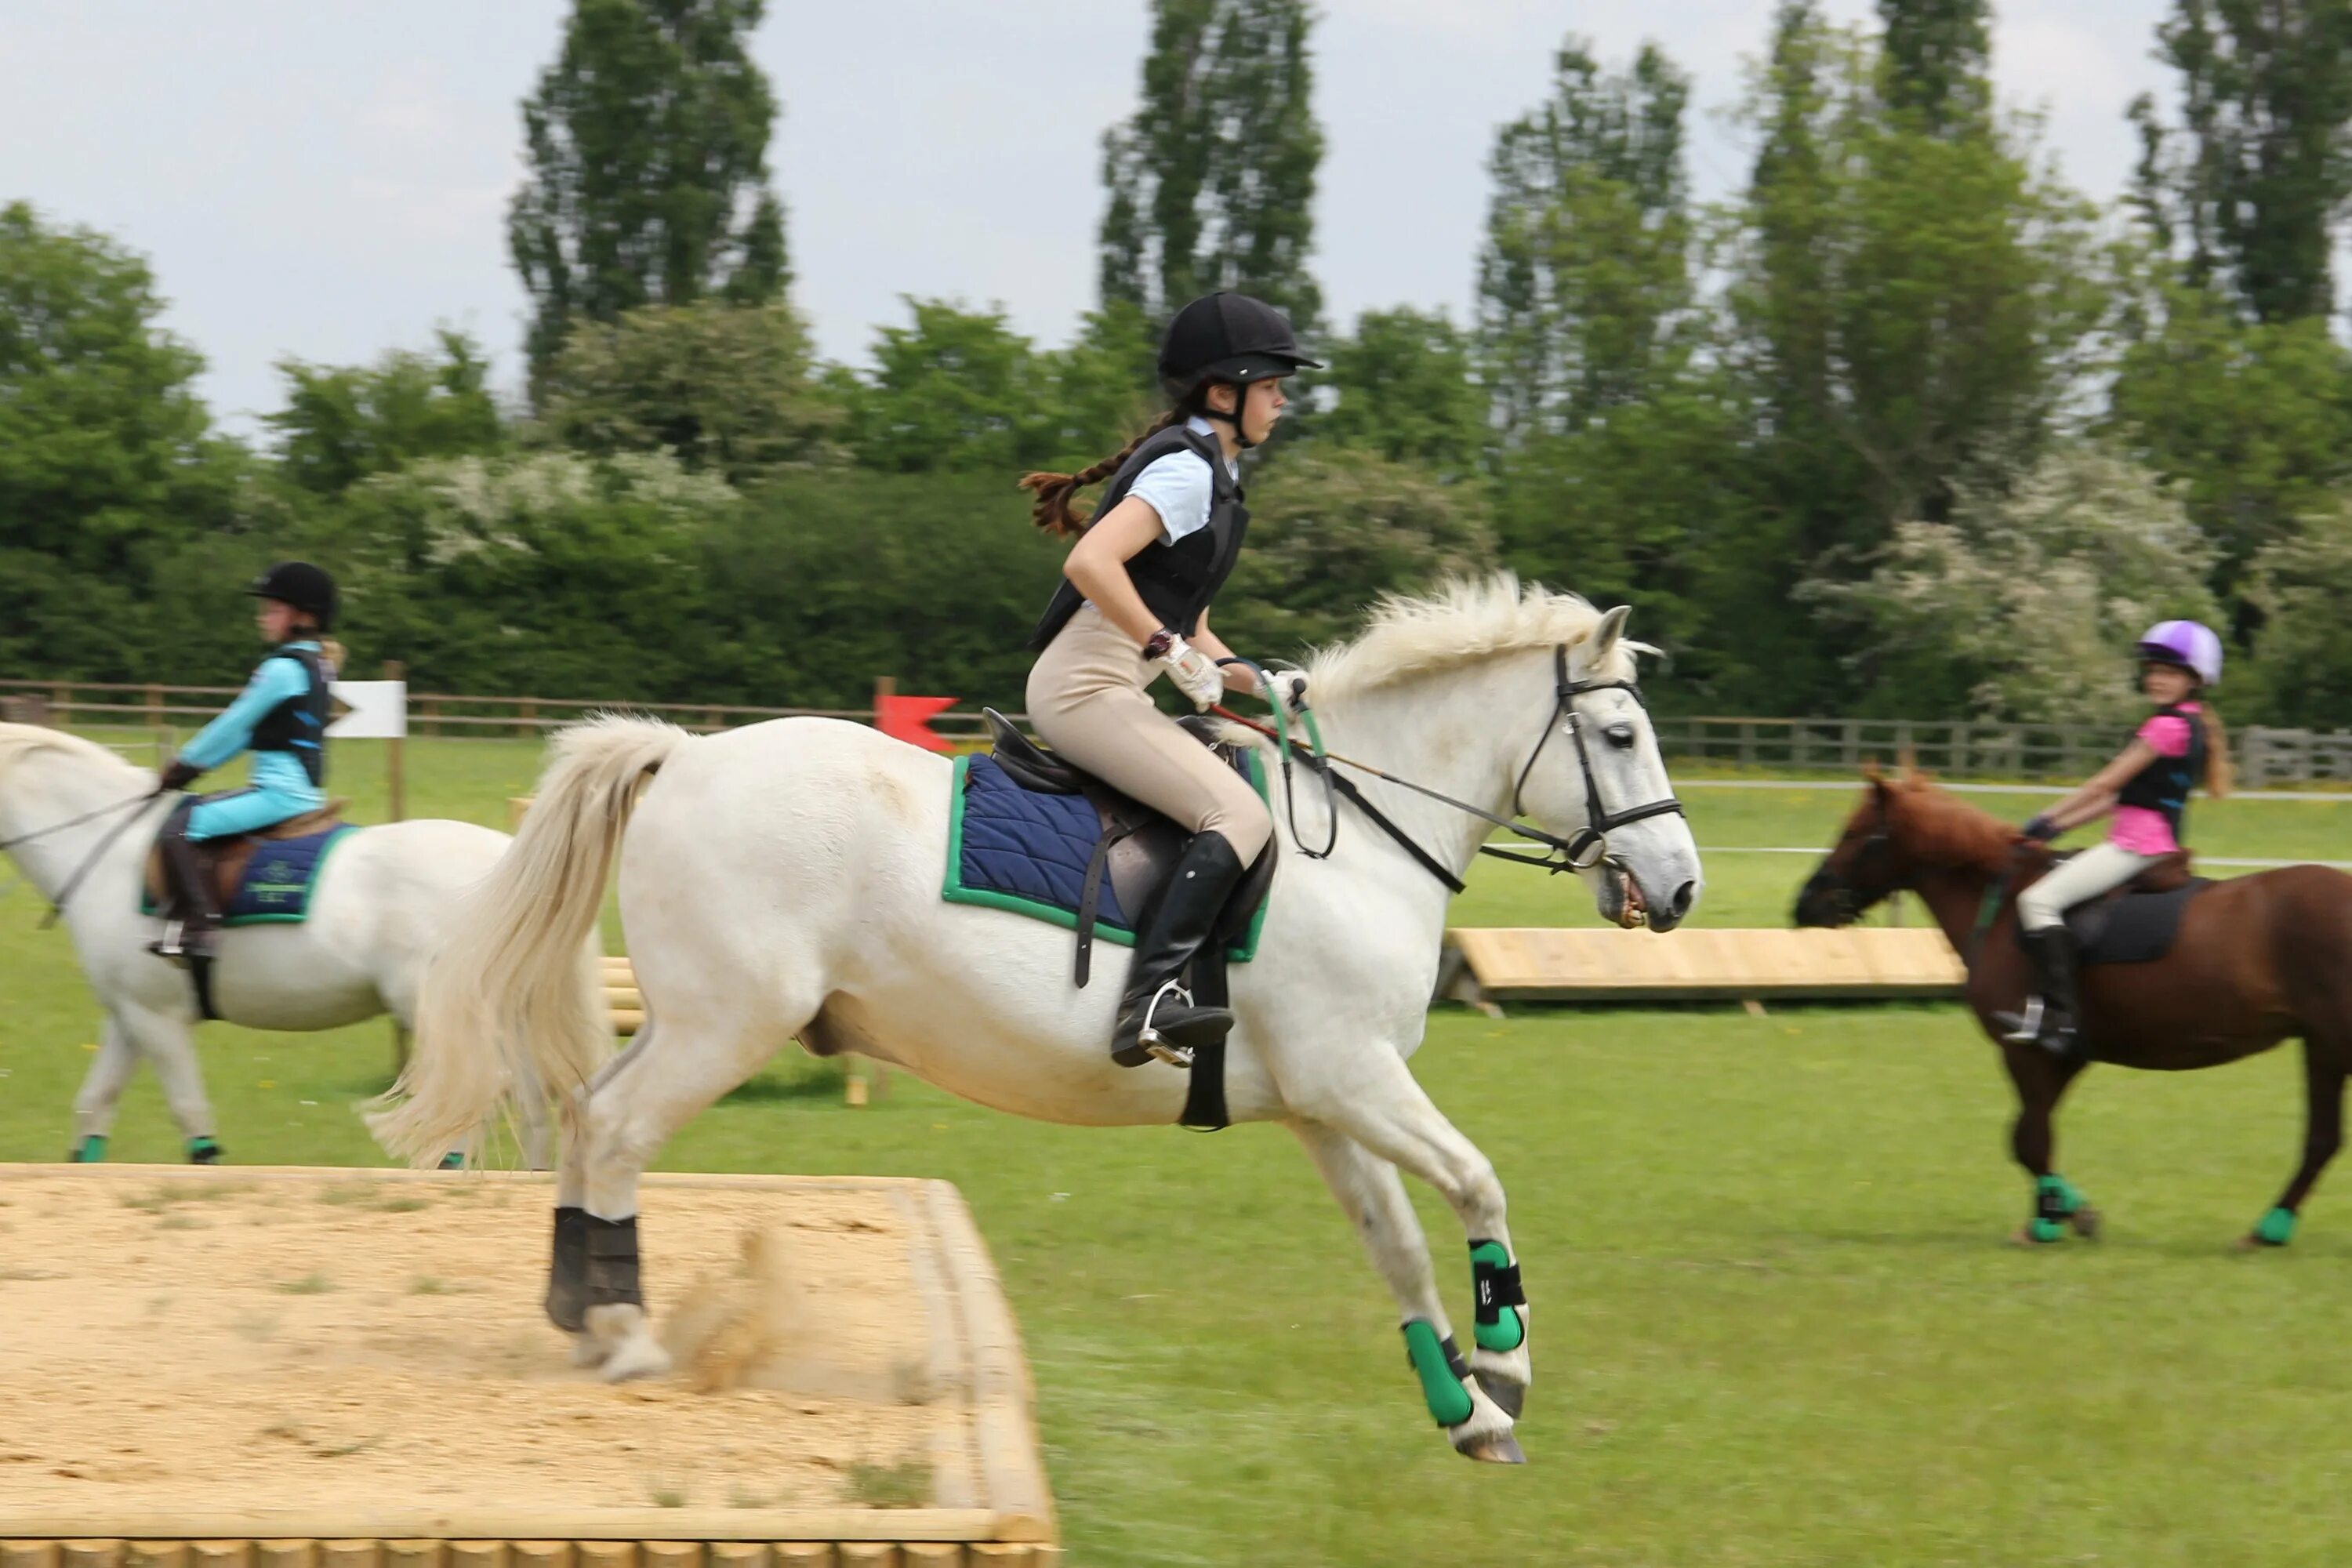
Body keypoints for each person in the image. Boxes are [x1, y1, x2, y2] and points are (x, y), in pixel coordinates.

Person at [1018, 292, 1318, 1069]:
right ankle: (1147, 1000)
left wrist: (1265, 686)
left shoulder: (1214, 480)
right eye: (1272, 385)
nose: (1284, 400)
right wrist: (1161, 643)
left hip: (1116, 685)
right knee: (1239, 815)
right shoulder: (1187, 470)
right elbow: (1089, 562)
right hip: (1084, 690)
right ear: (1224, 393)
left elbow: (1200, 633)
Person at [2007, 620, 2233, 1053]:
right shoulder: (2188, 723)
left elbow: (2101, 786)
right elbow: (2118, 799)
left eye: (2168, 671)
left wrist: (2041, 820)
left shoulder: (2165, 727)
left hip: (2138, 847)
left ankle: (2060, 1020)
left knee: (2035, 901)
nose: (2156, 678)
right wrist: (2054, 829)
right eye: (2152, 670)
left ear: (2194, 679)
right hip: (2141, 839)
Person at [149, 562, 342, 962]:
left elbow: (230, 724)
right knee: (198, 816)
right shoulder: (317, 665)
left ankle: (200, 929)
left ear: (304, 617)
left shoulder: (282, 669)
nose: (262, 617)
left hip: (279, 795)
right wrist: (193, 771)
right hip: (300, 790)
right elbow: (245, 735)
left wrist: (182, 765)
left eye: (272, 609)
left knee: (178, 830)